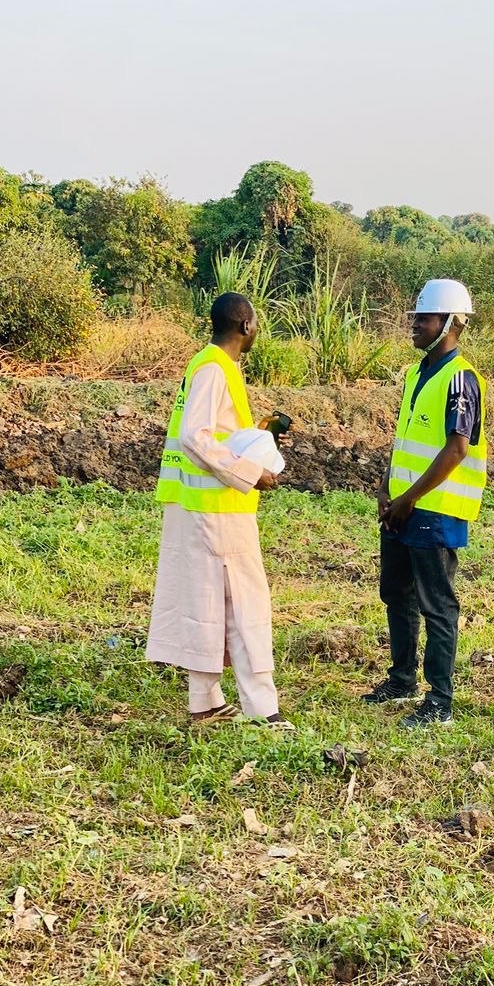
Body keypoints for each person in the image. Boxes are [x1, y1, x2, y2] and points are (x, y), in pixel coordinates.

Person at [146, 292, 292, 729]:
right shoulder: (214, 368)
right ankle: (263, 710)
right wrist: (250, 472)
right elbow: (196, 436)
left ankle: (205, 703)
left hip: (203, 507)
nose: (257, 330)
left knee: (208, 603)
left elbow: (218, 433)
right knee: (246, 605)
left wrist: (258, 436)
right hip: (219, 510)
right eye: (256, 323)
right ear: (245, 326)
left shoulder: (210, 365)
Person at [363, 279, 488, 728]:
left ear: (451, 323)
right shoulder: (417, 373)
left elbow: (457, 449)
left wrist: (409, 499)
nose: (414, 325)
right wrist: (387, 487)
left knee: (437, 604)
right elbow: (405, 440)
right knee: (396, 592)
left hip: (434, 511)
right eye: (415, 317)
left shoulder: (461, 379)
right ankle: (401, 680)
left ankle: (440, 701)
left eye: (424, 318)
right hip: (402, 507)